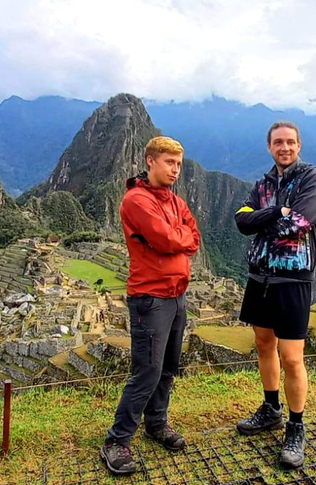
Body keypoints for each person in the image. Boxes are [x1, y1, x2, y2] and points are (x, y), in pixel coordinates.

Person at [101, 136, 201, 475]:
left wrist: (178, 239)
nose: (175, 170)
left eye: (178, 164)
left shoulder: (174, 201)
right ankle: (117, 440)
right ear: (150, 161)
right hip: (150, 297)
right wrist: (177, 239)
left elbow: (193, 237)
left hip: (176, 295)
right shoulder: (136, 200)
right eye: (169, 162)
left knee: (169, 367)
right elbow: (167, 238)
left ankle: (157, 423)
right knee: (147, 371)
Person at [234, 121, 316, 469]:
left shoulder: (312, 180)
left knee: (291, 355)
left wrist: (266, 219)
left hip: (293, 278)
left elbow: (298, 225)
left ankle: (296, 426)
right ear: (269, 146)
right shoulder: (262, 184)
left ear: (299, 144)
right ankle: (271, 409)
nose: (284, 147)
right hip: (261, 276)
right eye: (278, 142)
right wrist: (277, 211)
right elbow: (241, 221)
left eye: (290, 142)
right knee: (263, 343)